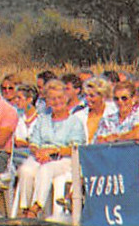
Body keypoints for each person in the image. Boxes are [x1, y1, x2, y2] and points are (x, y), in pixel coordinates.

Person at [13, 78, 87, 218]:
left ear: (65, 98)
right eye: (52, 99)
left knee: (46, 169)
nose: (56, 101)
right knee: (26, 170)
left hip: (63, 158)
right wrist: (38, 152)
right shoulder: (43, 119)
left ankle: (36, 207)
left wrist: (54, 151)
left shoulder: (74, 121)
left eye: (59, 97)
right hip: (41, 155)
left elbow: (76, 147)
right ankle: (24, 207)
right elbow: (34, 141)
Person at [80, 75, 111, 141]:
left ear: (103, 96)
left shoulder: (114, 112)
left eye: (92, 96)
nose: (87, 99)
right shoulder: (79, 116)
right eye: (86, 95)